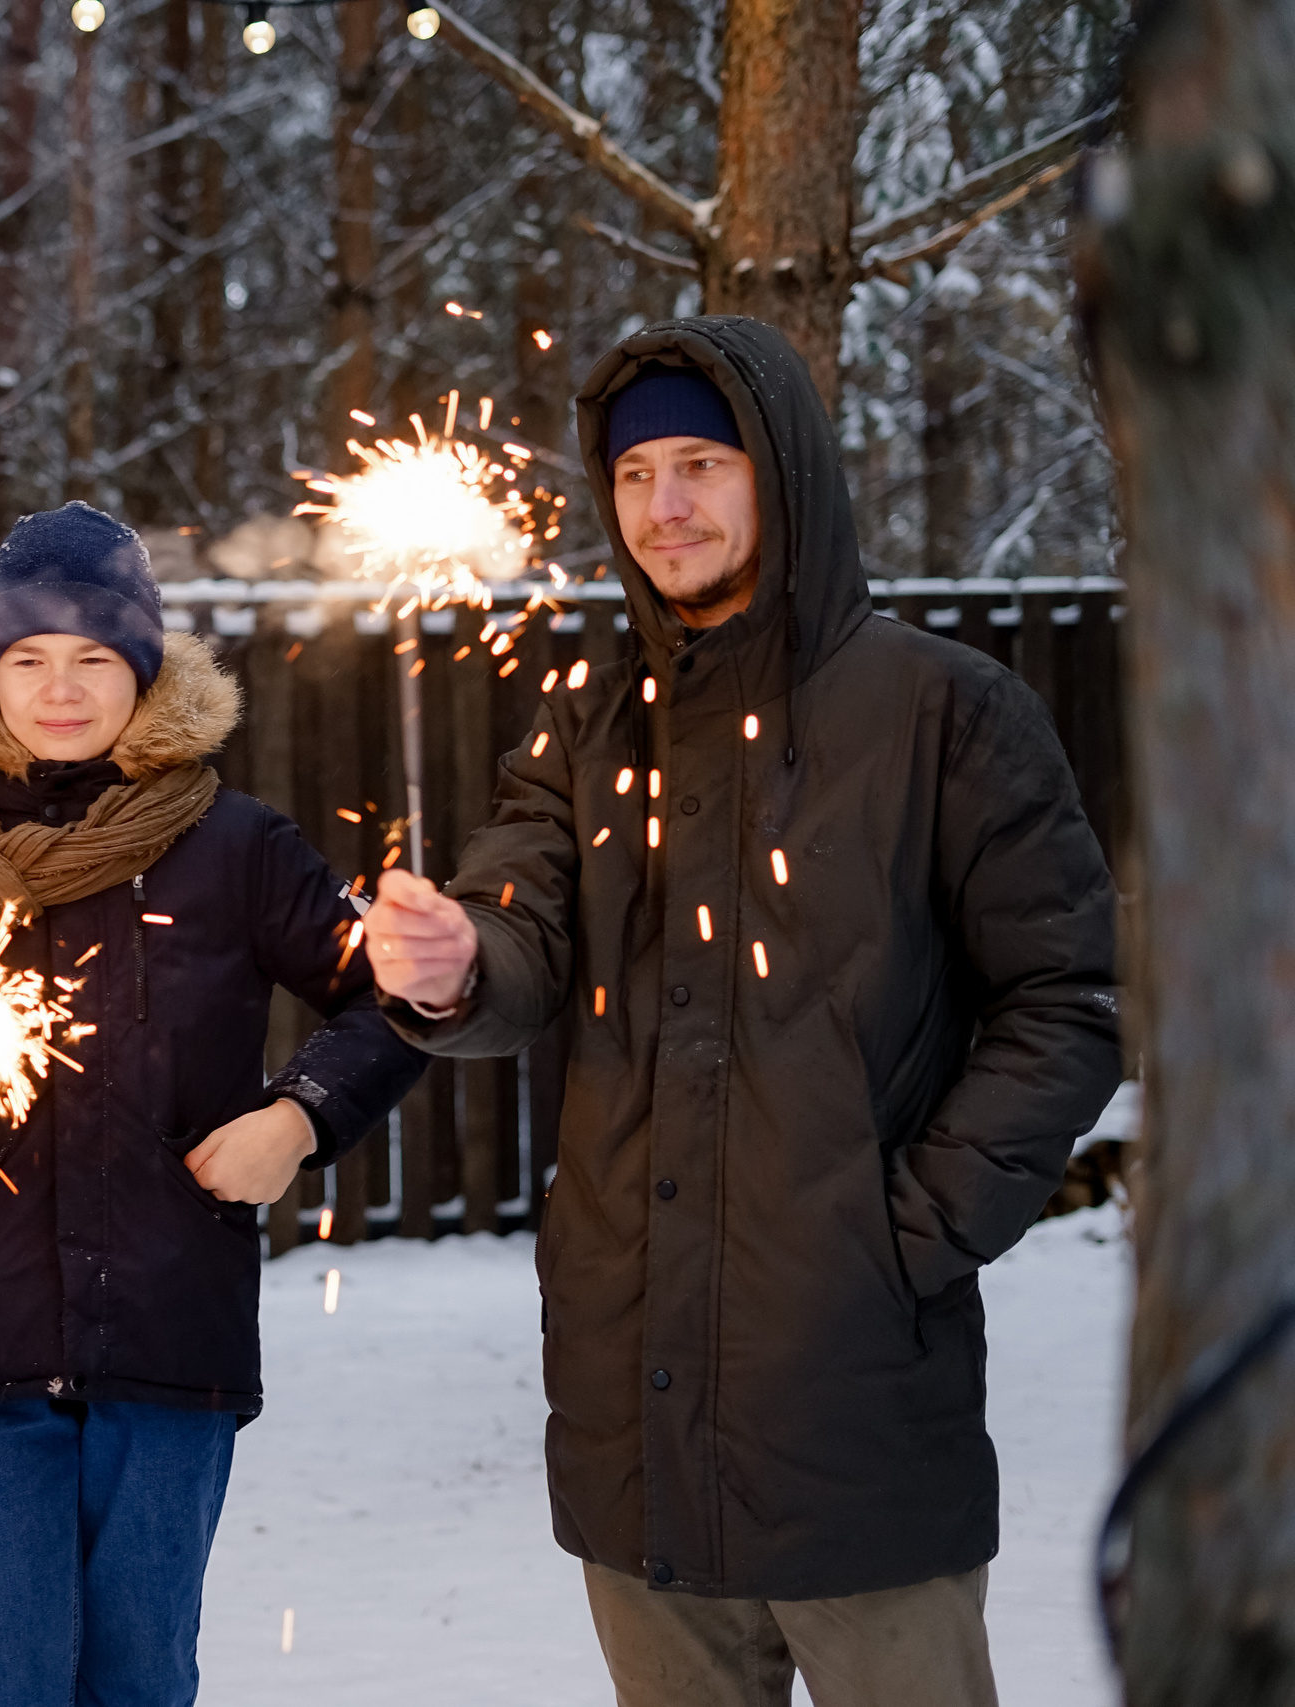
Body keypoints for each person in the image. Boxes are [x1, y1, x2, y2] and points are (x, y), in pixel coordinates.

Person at [361, 317, 1122, 1707]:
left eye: (702, 462)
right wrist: (453, 954)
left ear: (784, 473)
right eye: (638, 470)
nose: (666, 505)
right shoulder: (592, 720)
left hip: (859, 1422)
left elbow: (1065, 1003)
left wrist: (907, 1236)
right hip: (633, 1423)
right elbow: (522, 927)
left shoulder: (943, 712)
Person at [0, 501, 429, 1707]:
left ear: (145, 671)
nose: (59, 690)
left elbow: (394, 1004)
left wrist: (299, 1115)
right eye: (29, 660)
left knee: (142, 1675)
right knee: (3, 1676)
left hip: (170, 1331)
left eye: (94, 659)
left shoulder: (235, 845)